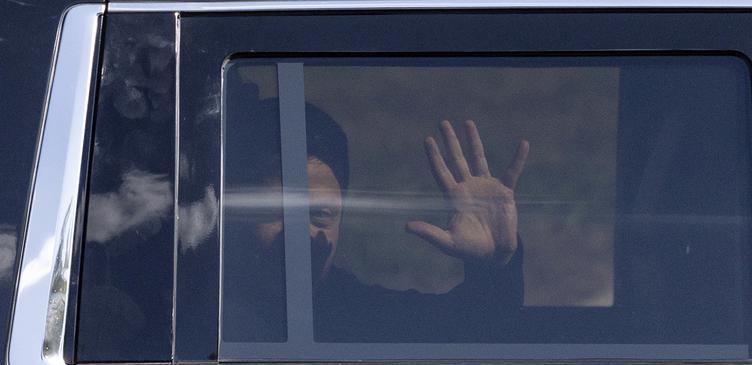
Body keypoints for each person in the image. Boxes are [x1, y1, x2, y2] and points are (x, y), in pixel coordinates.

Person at [223, 101, 530, 344]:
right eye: (277, 211)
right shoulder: (197, 314)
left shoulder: (355, 314)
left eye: (321, 215)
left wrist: (494, 267)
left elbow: (469, 333)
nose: (301, 235)